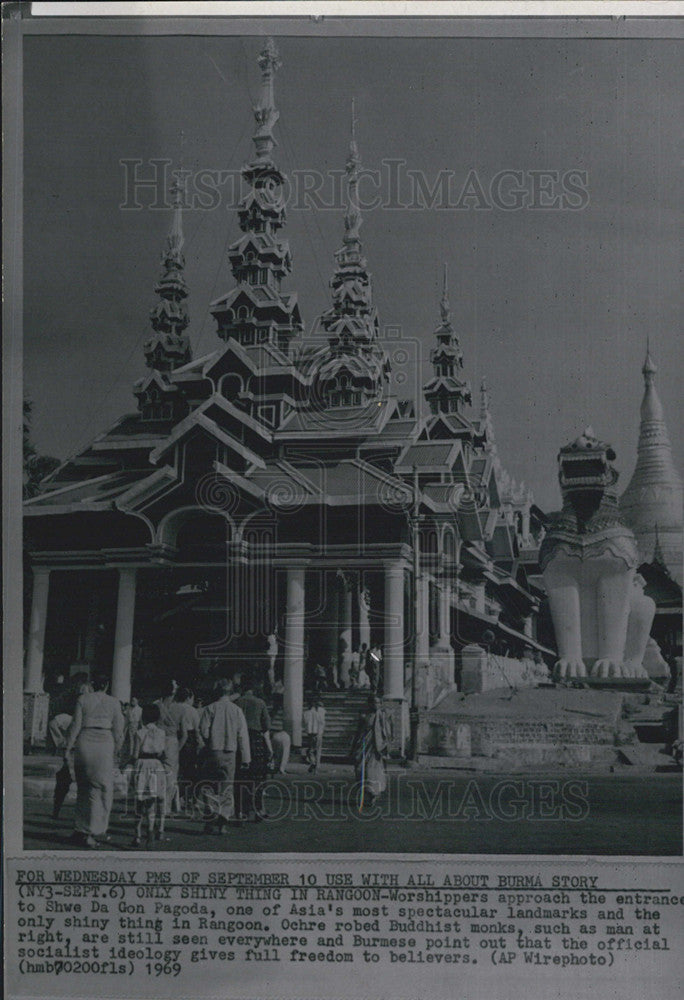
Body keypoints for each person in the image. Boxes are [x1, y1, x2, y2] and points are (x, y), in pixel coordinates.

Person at [64, 672, 124, 848]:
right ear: (106, 686)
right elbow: (119, 730)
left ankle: (81, 828)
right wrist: (117, 751)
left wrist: (67, 748)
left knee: (84, 787)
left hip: (85, 741)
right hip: (105, 744)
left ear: (92, 684)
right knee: (103, 788)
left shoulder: (83, 699)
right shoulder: (114, 702)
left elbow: (75, 725)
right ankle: (92, 831)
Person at [199, 677, 251, 832]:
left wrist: (210, 740)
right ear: (231, 692)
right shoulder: (236, 710)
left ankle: (210, 818)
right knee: (227, 787)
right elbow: (242, 735)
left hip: (214, 751)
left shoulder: (210, 708)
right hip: (230, 752)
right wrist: (246, 758)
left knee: (210, 785)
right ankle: (223, 821)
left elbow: (203, 730)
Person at [235, 675, 273, 821]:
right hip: (256, 742)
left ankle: (242, 811)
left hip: (239, 742)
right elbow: (266, 728)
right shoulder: (260, 703)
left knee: (241, 778)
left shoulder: (236, 702)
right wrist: (270, 750)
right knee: (258, 779)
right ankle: (259, 809)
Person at [131, 703, 168, 846]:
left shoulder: (139, 733)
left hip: (142, 764)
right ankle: (151, 830)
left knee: (139, 801)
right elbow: (161, 752)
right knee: (152, 800)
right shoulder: (161, 733)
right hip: (156, 765)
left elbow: (134, 754)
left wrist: (126, 762)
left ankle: (137, 835)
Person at [350, 693, 393, 808]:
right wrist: (353, 747)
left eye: (378, 702)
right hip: (364, 746)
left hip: (377, 748)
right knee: (360, 769)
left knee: (372, 772)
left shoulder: (384, 716)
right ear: (369, 704)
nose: (376, 705)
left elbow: (388, 732)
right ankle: (368, 793)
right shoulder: (364, 716)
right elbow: (358, 732)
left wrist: (387, 744)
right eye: (373, 702)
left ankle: (373, 793)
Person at [155, 680, 184, 815]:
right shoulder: (179, 708)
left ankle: (157, 805)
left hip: (157, 739)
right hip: (172, 741)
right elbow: (184, 734)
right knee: (171, 777)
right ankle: (166, 807)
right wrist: (178, 748)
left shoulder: (156, 705)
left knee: (156, 773)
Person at [175, 687, 201, 810]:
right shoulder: (191, 710)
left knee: (176, 770)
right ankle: (186, 797)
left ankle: (176, 797)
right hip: (189, 741)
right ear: (188, 698)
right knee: (190, 771)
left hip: (173, 738)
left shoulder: (171, 707)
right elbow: (197, 730)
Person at [303, 694, 326, 774]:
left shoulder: (306, 713)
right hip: (318, 733)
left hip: (310, 733)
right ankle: (317, 767)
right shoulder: (320, 712)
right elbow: (322, 722)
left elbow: (305, 723)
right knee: (318, 751)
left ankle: (312, 762)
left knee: (311, 750)